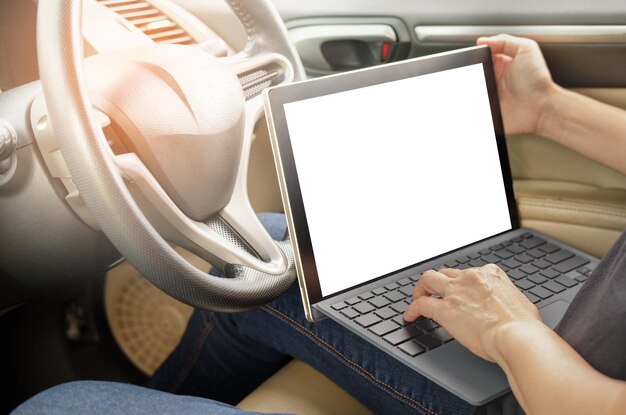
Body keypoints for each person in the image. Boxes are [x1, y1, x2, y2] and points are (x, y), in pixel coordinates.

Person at [13, 35, 626, 415]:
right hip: (586, 335)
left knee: (56, 405)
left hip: (549, 394)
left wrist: (509, 331)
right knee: (280, 242)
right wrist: (547, 109)